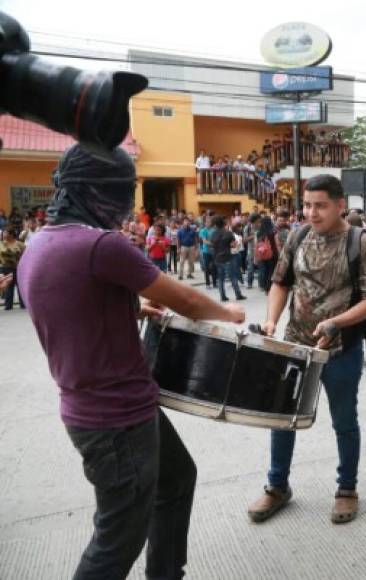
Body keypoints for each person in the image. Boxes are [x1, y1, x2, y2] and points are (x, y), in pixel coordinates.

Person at [17, 143, 245, 580]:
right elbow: (185, 300)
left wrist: (131, 308)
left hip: (102, 410)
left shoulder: (39, 245)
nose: (126, 206)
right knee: (117, 539)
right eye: (121, 193)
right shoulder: (101, 245)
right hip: (117, 418)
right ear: (96, 192)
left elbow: (70, 307)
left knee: (177, 480)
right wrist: (228, 313)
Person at [247, 174, 366, 525]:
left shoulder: (360, 241)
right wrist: (270, 322)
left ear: (341, 205)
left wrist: (337, 322)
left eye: (320, 205)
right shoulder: (297, 235)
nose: (312, 212)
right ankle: (277, 486)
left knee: (344, 422)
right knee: (283, 418)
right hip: (296, 345)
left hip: (340, 350)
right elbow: (280, 282)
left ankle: (346, 489)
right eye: (307, 205)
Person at [211, 215, 246, 302]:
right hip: (227, 257)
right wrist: (237, 243)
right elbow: (233, 245)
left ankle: (222, 296)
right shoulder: (228, 233)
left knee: (221, 278)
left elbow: (212, 245)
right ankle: (238, 294)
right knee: (233, 276)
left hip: (217, 258)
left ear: (215, 224)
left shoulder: (213, 233)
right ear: (223, 223)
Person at [0, 227, 25, 310]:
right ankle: (8, 305)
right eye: (3, 233)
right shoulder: (1, 244)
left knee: (20, 286)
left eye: (5, 233)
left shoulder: (20, 244)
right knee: (8, 287)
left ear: (11, 234)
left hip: (19, 268)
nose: (3, 234)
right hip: (6, 268)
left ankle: (23, 304)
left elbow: (25, 255)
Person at [255, 216, 279, 293]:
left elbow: (256, 245)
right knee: (271, 271)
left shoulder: (259, 233)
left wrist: (256, 256)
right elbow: (277, 243)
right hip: (272, 253)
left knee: (264, 270)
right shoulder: (273, 232)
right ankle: (268, 287)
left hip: (262, 253)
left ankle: (264, 285)